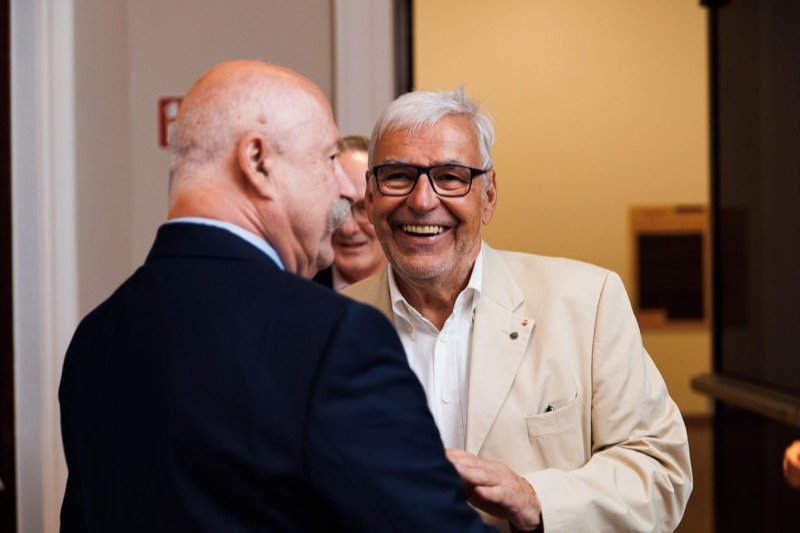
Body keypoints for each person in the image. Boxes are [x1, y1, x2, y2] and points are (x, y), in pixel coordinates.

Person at [58, 61, 496, 532]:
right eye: (329, 158)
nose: (347, 188)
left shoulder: (94, 337)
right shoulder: (332, 337)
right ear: (258, 162)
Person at [343, 86, 693, 532]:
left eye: (450, 177)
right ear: (370, 196)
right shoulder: (327, 326)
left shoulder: (588, 302)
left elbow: (661, 471)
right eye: (397, 176)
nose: (422, 200)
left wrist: (536, 500)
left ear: (488, 196)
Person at [313, 135, 387, 289]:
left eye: (363, 208)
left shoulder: (422, 292)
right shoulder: (298, 289)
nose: (347, 229)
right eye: (337, 206)